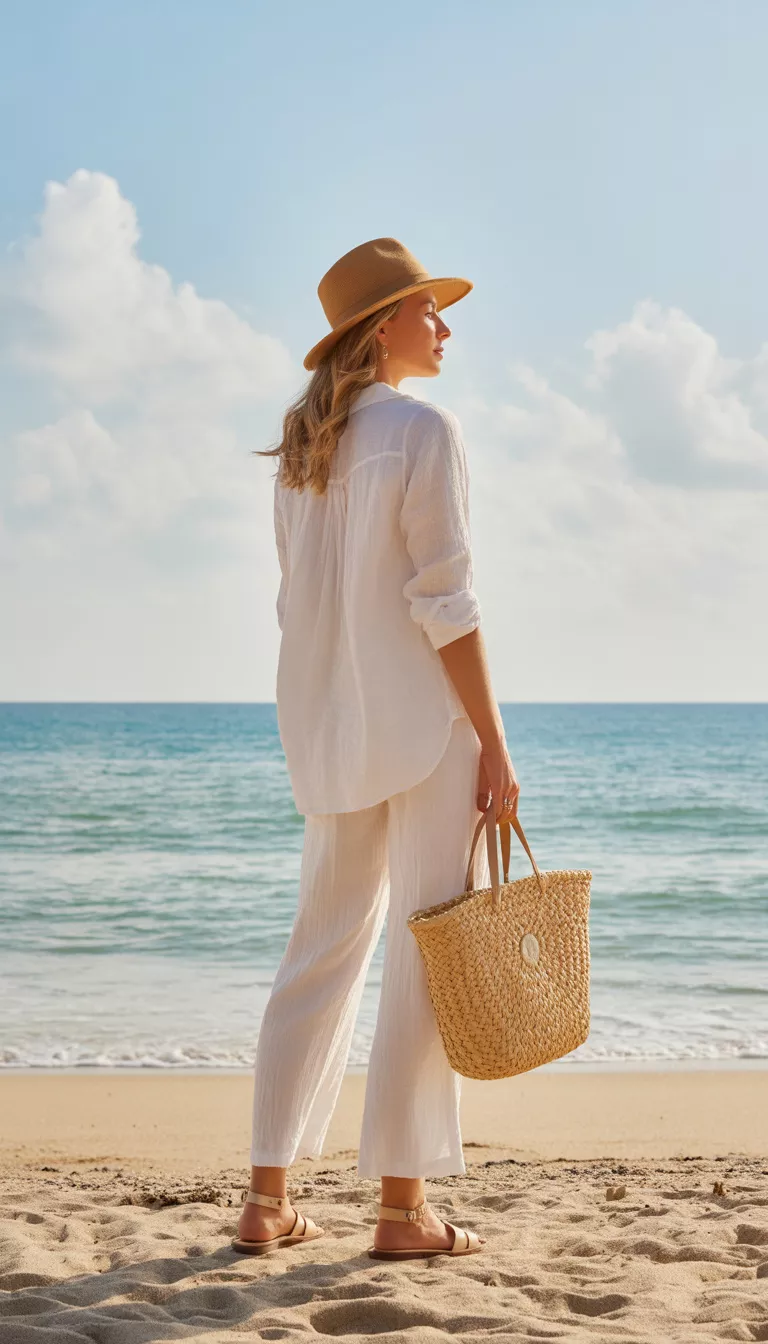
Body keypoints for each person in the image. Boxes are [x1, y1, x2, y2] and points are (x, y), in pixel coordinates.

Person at [232, 237, 519, 1261]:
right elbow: (447, 604)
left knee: (319, 950)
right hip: (422, 731)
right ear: (382, 327)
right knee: (422, 951)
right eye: (428, 309)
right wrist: (493, 741)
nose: (445, 325)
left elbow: (292, 607)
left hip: (325, 732)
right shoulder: (423, 429)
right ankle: (402, 1214)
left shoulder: (305, 453)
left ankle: (266, 1201)